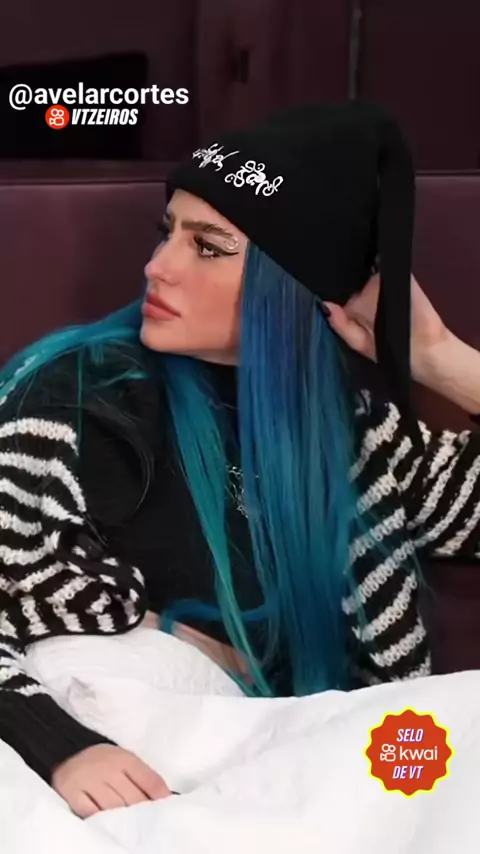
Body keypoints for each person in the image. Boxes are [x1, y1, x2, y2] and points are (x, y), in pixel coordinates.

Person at [0, 100, 479, 819]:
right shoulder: (81, 400)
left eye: (208, 246)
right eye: (167, 233)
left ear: (292, 284)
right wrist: (62, 745)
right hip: (111, 772)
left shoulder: (358, 442)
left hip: (285, 782)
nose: (157, 266)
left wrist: (442, 360)